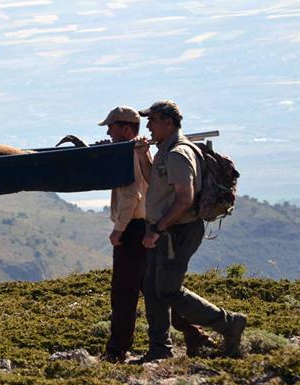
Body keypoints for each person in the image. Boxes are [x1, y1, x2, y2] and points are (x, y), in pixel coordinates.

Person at [98, 106, 211, 363]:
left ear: (127, 129)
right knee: (154, 290)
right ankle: (192, 332)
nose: (108, 131)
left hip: (134, 229)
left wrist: (118, 230)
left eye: (112, 127)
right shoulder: (143, 151)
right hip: (145, 227)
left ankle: (117, 350)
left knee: (124, 293)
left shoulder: (130, 155)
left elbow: (131, 195)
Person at [136, 100, 246, 362]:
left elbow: (184, 198)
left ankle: (228, 323)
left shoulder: (178, 153)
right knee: (152, 287)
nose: (148, 125)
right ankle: (159, 348)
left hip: (177, 231)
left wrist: (158, 229)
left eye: (153, 120)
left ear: (169, 123)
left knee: (169, 291)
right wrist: (143, 156)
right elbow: (156, 182)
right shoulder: (166, 150)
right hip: (166, 229)